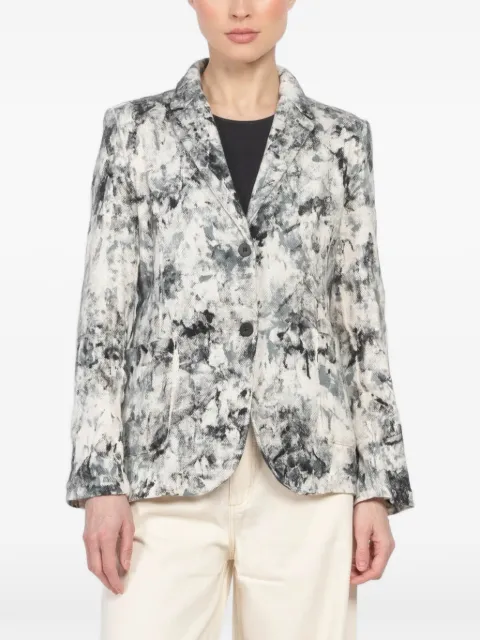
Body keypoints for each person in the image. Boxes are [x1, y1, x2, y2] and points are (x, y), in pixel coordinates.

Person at [65, 1, 414, 638]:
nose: (241, 8)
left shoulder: (339, 139)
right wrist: (98, 481)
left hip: (311, 476)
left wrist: (377, 486)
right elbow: (103, 320)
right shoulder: (137, 131)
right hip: (164, 471)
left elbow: (360, 319)